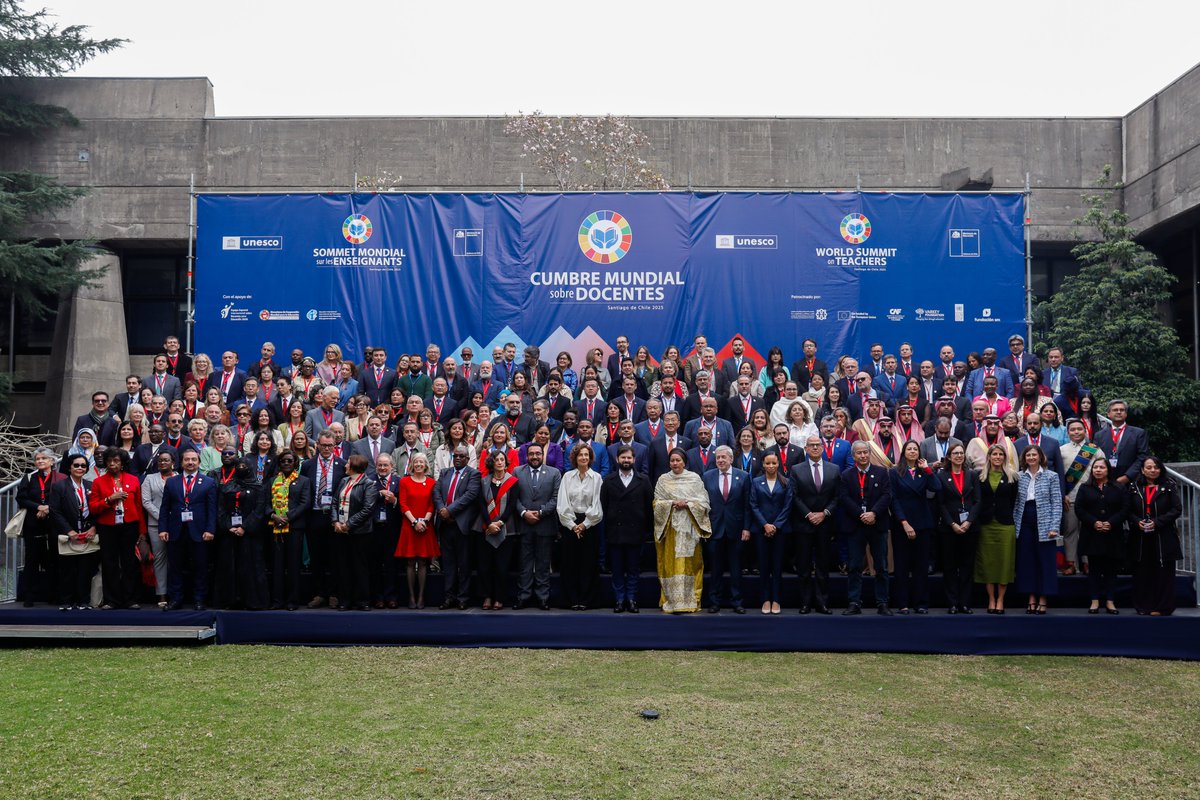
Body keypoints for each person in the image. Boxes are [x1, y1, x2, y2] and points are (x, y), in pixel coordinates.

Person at [652, 447, 712, 613]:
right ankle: (671, 601)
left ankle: (691, 600)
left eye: (678, 460)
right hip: (670, 529)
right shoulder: (663, 480)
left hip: (689, 529)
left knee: (691, 564)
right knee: (670, 564)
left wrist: (688, 504)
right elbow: (656, 504)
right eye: (672, 460)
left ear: (684, 462)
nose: (675, 463)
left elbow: (704, 503)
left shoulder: (694, 479)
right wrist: (671, 503)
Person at [158, 448, 219, 610]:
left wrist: (210, 530)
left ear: (199, 462)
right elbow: (165, 508)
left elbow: (212, 509)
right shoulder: (172, 482)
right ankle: (176, 599)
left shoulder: (208, 482)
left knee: (200, 567)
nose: (190, 462)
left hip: (200, 531)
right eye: (187, 459)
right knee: (175, 567)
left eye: (193, 459)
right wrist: (163, 528)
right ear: (181, 462)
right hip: (175, 530)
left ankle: (199, 599)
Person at [87, 449, 145, 610]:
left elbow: (139, 506)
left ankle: (130, 599)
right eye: (109, 461)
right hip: (107, 526)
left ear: (122, 463)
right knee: (109, 562)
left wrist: (142, 531)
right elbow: (93, 508)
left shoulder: (133, 480)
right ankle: (111, 600)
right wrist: (109, 500)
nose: (112, 464)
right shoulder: (98, 482)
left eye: (116, 461)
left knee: (129, 562)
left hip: (129, 525)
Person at [840, 440, 893, 615]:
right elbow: (844, 498)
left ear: (870, 453)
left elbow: (887, 495)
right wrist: (860, 514)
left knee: (881, 566)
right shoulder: (846, 475)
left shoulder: (882, 472)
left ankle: (882, 602)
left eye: (865, 452)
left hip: (877, 524)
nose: (863, 456)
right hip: (856, 525)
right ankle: (854, 602)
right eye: (859, 453)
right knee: (855, 566)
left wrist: (873, 513)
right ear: (853, 456)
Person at [600, 445, 653, 613]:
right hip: (615, 532)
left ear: (634, 459)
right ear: (617, 459)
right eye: (623, 457)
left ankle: (631, 599)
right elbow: (604, 506)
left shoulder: (643, 480)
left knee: (633, 569)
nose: (626, 460)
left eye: (629, 457)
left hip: (636, 532)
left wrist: (646, 531)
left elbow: (649, 507)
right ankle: (619, 599)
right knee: (616, 569)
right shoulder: (608, 480)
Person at [1128, 456, 1183, 616]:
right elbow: (1127, 510)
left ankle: (1162, 606)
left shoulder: (1169, 485)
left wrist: (1157, 522)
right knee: (1142, 572)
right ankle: (1143, 606)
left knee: (1164, 572)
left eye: (1156, 467)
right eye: (1149, 467)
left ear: (1161, 469)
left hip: (1163, 535)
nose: (1153, 470)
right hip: (1140, 536)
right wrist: (1136, 521)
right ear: (1143, 470)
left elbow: (1176, 509)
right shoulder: (1134, 487)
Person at [890, 440, 940, 615]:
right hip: (902, 524)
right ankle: (902, 603)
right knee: (902, 566)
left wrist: (928, 469)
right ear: (904, 452)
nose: (912, 451)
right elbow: (893, 499)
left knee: (921, 566)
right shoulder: (894, 472)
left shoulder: (924, 471)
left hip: (922, 523)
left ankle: (921, 603)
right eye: (909, 449)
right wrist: (904, 522)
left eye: (915, 449)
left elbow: (937, 487)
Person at [212, 458, 269, 610]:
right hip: (229, 535)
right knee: (229, 567)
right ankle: (229, 601)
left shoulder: (259, 487)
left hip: (250, 536)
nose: (241, 468)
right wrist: (228, 526)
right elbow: (220, 509)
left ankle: (252, 601)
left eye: (244, 465)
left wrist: (245, 527)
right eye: (238, 466)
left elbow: (259, 510)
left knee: (251, 567)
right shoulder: (227, 486)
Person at [1013, 445, 1063, 614]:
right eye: (1028, 455)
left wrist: (1054, 526)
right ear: (1024, 458)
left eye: (1034, 455)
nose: (1031, 458)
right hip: (1024, 519)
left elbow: (1057, 502)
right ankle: (1031, 598)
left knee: (1045, 562)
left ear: (1041, 457)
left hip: (1045, 521)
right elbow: (1016, 503)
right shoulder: (1019, 476)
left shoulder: (1051, 476)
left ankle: (1043, 598)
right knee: (1027, 561)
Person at [702, 445, 752, 614]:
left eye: (724, 457)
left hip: (736, 529)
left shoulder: (743, 476)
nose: (721, 460)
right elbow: (703, 505)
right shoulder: (707, 476)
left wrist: (746, 528)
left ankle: (737, 602)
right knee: (715, 569)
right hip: (714, 529)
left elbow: (747, 505)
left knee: (736, 569)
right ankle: (714, 602)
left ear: (731, 459)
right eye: (718, 457)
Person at [1074, 458, 1128, 615]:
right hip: (1092, 534)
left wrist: (1111, 522)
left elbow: (1125, 509)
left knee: (1111, 569)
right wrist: (1094, 522)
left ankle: (1110, 601)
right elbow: (1079, 509)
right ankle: (1094, 601)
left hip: (1113, 533)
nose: (1098, 470)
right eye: (1095, 467)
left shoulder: (1119, 487)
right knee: (1094, 569)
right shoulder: (1085, 487)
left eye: (1101, 467)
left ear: (1108, 470)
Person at [300, 431, 346, 609]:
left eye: (330, 445)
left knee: (335, 557)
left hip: (334, 517)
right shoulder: (307, 465)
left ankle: (334, 593)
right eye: (323, 445)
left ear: (335, 446)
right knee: (316, 557)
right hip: (314, 515)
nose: (327, 448)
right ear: (317, 445)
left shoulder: (342, 465)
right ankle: (319, 593)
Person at [48, 453, 99, 610]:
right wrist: (69, 531)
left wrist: (94, 527)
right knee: (67, 569)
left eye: (83, 465)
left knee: (85, 569)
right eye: (76, 465)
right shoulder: (59, 486)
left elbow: (98, 509)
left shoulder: (91, 485)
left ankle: (83, 601)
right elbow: (55, 511)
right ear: (69, 467)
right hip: (68, 534)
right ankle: (66, 601)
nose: (80, 468)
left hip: (87, 534)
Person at [15, 448, 66, 606]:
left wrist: (48, 508)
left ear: (52, 461)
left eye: (44, 458)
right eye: (37, 459)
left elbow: (64, 498)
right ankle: (29, 596)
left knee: (54, 559)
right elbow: (21, 498)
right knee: (32, 559)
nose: (40, 461)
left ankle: (54, 595)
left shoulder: (60, 478)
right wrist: (39, 507)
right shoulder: (29, 477)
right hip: (33, 523)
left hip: (54, 523)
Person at [556, 443, 603, 610]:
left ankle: (586, 600)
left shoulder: (597, 477)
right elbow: (562, 502)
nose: (583, 457)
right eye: (580, 455)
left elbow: (597, 504)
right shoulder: (567, 477)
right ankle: (571, 599)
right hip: (570, 523)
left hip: (589, 523)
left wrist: (585, 524)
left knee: (588, 563)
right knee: (570, 563)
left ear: (590, 458)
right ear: (575, 458)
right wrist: (572, 525)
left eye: (586, 455)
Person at [935, 442, 981, 614]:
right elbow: (940, 504)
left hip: (970, 527)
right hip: (949, 528)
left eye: (961, 453)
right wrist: (952, 524)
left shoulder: (972, 475)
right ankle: (952, 603)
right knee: (950, 566)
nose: (959, 456)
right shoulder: (941, 476)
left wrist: (968, 521)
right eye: (955, 453)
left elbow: (978, 501)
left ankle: (965, 603)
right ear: (949, 456)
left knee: (967, 566)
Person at [434, 446, 482, 609]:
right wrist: (442, 509)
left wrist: (449, 510)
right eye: (455, 456)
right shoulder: (444, 472)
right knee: (448, 564)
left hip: (462, 525)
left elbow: (470, 495)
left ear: (468, 459)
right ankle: (449, 597)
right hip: (445, 524)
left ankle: (463, 598)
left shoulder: (473, 474)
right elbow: (436, 493)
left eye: (462, 456)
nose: (458, 458)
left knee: (464, 564)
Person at [331, 453, 379, 611]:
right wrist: (335, 521)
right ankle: (345, 600)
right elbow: (334, 502)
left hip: (360, 533)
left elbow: (368, 509)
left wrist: (349, 524)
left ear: (354, 466)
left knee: (360, 567)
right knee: (343, 567)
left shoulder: (369, 484)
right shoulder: (344, 481)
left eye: (348, 463)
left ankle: (362, 601)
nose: (345, 465)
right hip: (340, 532)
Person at [973, 443, 1018, 614]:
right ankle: (991, 599)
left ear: (1005, 457)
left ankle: (1001, 600)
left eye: (1001, 454)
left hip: (1005, 525)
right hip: (986, 525)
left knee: (1004, 562)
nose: (997, 457)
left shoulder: (1012, 476)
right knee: (988, 563)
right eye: (995, 454)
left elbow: (1014, 501)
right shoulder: (979, 476)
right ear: (989, 457)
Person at [266, 451, 310, 610]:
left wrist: (287, 517)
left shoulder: (304, 481)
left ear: (295, 463)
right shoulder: (272, 481)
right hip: (275, 527)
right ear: (279, 463)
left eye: (289, 461)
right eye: (283, 461)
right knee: (277, 566)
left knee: (293, 565)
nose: (286, 463)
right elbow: (265, 503)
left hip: (294, 527)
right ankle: (277, 600)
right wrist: (273, 515)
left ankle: (292, 601)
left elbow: (305, 503)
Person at [475, 450, 520, 610]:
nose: (500, 462)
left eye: (502, 459)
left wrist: (500, 522)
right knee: (484, 566)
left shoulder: (513, 481)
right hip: (485, 527)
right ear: (491, 463)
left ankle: (500, 598)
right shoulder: (484, 481)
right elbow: (481, 504)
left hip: (506, 528)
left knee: (502, 567)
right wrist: (489, 524)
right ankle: (487, 596)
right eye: (496, 460)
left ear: (506, 463)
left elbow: (512, 505)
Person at [748, 450, 790, 615]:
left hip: (780, 531)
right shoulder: (756, 481)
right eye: (768, 463)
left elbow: (788, 506)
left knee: (777, 567)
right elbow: (753, 505)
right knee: (764, 567)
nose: (771, 466)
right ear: (763, 465)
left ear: (778, 464)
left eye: (774, 463)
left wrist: (776, 526)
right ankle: (765, 599)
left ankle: (777, 599)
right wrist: (765, 525)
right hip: (761, 530)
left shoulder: (786, 482)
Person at [139, 450, 176, 608]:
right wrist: (162, 517)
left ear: (173, 462)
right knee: (160, 558)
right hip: (156, 524)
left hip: (177, 524)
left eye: (166, 460)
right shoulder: (149, 479)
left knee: (176, 559)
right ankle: (161, 593)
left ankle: (175, 594)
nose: (163, 463)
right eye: (160, 460)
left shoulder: (179, 477)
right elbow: (146, 501)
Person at [1093, 399, 1151, 486]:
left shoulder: (1138, 433)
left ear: (1126, 414)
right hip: (1105, 481)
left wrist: (1127, 476)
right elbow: (1096, 458)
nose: (1119, 412)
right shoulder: (1099, 435)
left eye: (1122, 410)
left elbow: (1143, 456)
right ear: (1108, 414)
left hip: (1130, 482)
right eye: (1115, 410)